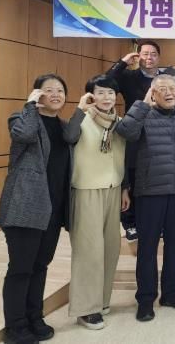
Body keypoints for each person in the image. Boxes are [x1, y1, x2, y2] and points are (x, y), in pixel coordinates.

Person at [116, 74, 175, 322]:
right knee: (147, 247)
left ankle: (171, 293)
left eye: (172, 88)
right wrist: (142, 105)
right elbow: (125, 134)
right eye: (162, 89)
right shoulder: (142, 117)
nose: (168, 92)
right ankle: (145, 299)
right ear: (152, 94)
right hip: (149, 192)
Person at [0, 74, 73, 344]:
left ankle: (34, 317)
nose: (55, 94)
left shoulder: (63, 127)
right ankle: (15, 327)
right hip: (25, 207)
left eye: (60, 90)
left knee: (40, 266)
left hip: (53, 210)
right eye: (48, 90)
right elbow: (24, 135)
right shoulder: (21, 119)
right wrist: (30, 106)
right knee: (21, 269)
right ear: (37, 94)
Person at [66, 75, 128, 330]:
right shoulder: (81, 119)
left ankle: (101, 300)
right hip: (86, 189)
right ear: (91, 95)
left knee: (110, 248)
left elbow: (124, 157)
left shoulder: (119, 123)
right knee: (88, 250)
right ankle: (85, 309)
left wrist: (125, 189)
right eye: (101, 92)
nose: (107, 97)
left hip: (114, 188)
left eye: (111, 93)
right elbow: (68, 137)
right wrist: (79, 110)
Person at [106, 40, 175, 243]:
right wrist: (123, 62)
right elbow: (105, 83)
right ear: (138, 56)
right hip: (134, 130)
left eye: (153, 54)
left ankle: (154, 222)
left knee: (154, 176)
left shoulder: (164, 79)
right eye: (145, 53)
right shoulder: (129, 76)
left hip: (160, 132)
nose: (149, 57)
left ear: (159, 57)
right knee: (131, 175)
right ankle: (130, 223)